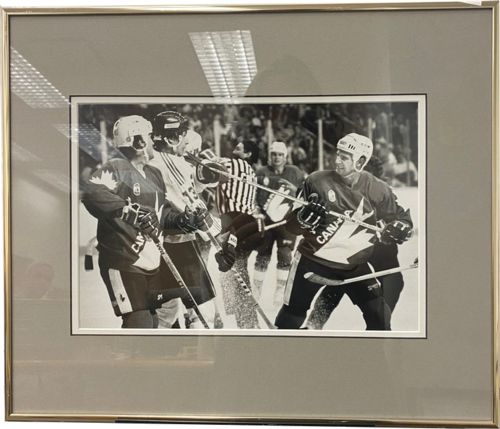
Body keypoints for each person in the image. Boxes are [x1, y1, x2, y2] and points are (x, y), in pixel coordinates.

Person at [275, 133, 413, 331]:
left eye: (344, 157)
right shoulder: (316, 181)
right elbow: (290, 226)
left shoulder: (379, 189)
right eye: (337, 154)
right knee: (292, 316)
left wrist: (401, 228)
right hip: (312, 261)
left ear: (361, 161)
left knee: (380, 318)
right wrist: (302, 219)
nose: (337, 160)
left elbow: (401, 220)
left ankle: (373, 359)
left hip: (354, 265)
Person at [81, 115, 179, 328]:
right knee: (139, 321)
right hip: (123, 260)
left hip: (150, 261)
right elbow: (91, 192)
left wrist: (183, 220)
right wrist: (128, 210)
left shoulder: (154, 174)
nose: (153, 141)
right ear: (138, 141)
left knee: (154, 322)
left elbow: (161, 215)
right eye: (150, 136)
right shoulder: (117, 167)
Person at [148, 110, 225, 329]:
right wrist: (210, 229)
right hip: (178, 246)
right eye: (183, 133)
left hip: (177, 243)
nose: (187, 138)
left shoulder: (171, 160)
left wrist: (204, 177)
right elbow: (185, 202)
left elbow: (190, 190)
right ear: (171, 138)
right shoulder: (163, 162)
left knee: (168, 313)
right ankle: (199, 356)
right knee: (200, 313)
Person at [215, 140, 261, 329]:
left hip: (235, 221)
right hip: (249, 224)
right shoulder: (252, 172)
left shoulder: (232, 163)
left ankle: (246, 320)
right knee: (237, 269)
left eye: (240, 148)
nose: (235, 148)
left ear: (248, 154)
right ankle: (244, 317)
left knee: (233, 271)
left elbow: (207, 162)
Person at [253, 141, 306, 305]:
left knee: (284, 255)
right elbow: (254, 195)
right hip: (267, 221)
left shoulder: (295, 172)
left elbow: (304, 195)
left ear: (285, 156)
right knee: (262, 255)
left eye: (280, 154)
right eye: (274, 154)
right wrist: (256, 211)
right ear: (270, 156)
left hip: (287, 222)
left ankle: (279, 290)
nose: (277, 157)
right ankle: (256, 289)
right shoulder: (262, 172)